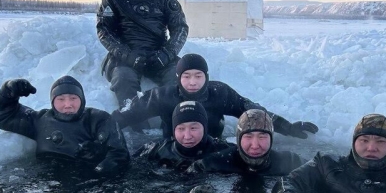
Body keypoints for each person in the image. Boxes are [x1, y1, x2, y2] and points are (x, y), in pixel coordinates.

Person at [112, 53, 319, 140]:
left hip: (213, 149)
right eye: (186, 76)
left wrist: (287, 126)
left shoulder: (219, 93)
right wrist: (94, 128)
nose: (192, 82)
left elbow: (252, 110)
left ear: (206, 77)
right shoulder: (163, 96)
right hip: (174, 150)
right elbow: (127, 114)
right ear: (178, 78)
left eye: (198, 76)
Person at [97, 0, 189, 108]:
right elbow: (104, 31)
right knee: (123, 80)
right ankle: (135, 125)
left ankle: (173, 122)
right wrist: (127, 55)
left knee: (179, 78)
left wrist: (166, 54)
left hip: (159, 55)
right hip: (125, 58)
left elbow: (180, 27)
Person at [0, 76, 129, 175]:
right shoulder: (40, 121)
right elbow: (4, 117)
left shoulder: (98, 119)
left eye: (73, 98)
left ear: (82, 99)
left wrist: (99, 156)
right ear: (52, 101)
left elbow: (120, 155)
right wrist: (7, 92)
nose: (67, 104)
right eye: (61, 99)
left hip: (89, 183)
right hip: (47, 185)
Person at [189, 109, 305, 176]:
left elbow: (319, 171)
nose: (255, 145)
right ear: (238, 139)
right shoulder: (212, 164)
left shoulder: (290, 162)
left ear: (271, 139)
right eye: (248, 136)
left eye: (262, 137)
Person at [136, 100, 232, 171]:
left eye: (193, 128)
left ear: (205, 128)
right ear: (174, 130)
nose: (187, 136)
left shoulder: (223, 150)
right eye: (181, 129)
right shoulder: (157, 150)